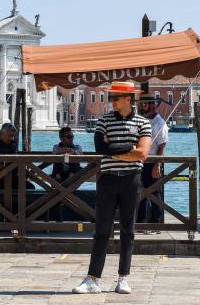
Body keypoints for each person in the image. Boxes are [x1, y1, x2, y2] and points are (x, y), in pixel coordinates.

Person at [72, 81, 152, 295]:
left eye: (115, 97)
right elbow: (100, 148)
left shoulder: (143, 122)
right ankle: (92, 279)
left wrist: (114, 149)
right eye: (111, 97)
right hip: (107, 179)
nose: (112, 101)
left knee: (129, 231)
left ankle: (123, 278)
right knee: (101, 231)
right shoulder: (103, 121)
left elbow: (143, 153)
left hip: (131, 180)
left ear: (128, 99)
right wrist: (129, 148)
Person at [136, 93, 168, 228]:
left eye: (143, 105)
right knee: (139, 191)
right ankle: (140, 220)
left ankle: (155, 222)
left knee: (154, 192)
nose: (141, 107)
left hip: (153, 162)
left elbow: (162, 145)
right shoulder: (142, 121)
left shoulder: (160, 123)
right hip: (141, 161)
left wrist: (157, 164)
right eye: (140, 105)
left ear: (152, 105)